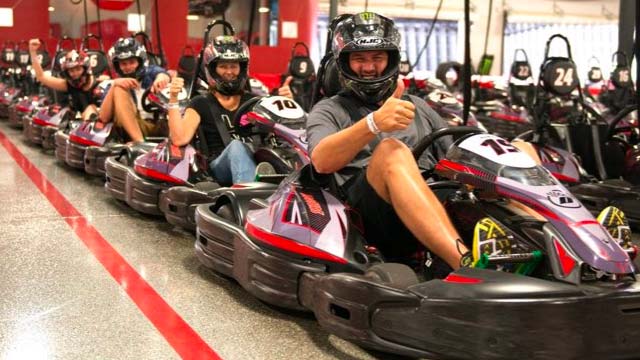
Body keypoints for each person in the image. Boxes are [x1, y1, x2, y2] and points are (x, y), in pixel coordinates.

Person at [307, 12, 546, 270]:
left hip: (433, 197)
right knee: (392, 151)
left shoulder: (418, 106)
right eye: (359, 59)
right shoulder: (329, 109)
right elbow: (321, 161)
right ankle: (467, 265)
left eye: (377, 58)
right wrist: (374, 123)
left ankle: (557, 245)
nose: (369, 67)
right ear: (343, 62)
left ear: (391, 61)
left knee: (519, 149)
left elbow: (455, 153)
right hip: (373, 217)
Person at [167, 35, 290, 186]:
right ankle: (248, 195)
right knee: (237, 147)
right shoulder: (200, 103)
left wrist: (287, 101)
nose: (229, 72)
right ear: (212, 69)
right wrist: (173, 98)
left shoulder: (254, 101)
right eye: (223, 66)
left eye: (234, 66)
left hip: (257, 158)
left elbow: (282, 132)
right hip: (219, 167)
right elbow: (180, 139)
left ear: (242, 68)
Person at [98, 37, 171, 142]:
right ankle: (139, 142)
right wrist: (114, 85)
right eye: (123, 64)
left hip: (159, 126)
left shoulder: (150, 73)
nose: (128, 67)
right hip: (130, 134)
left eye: (132, 62)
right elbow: (103, 118)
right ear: (117, 66)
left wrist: (161, 79)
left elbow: (163, 74)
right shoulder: (113, 84)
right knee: (119, 89)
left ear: (140, 61)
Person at [28, 39, 105, 120]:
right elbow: (41, 77)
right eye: (71, 70)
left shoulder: (100, 83)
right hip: (76, 124)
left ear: (85, 69)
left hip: (98, 123)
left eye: (78, 69)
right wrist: (33, 52)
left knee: (91, 108)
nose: (75, 73)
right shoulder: (67, 84)